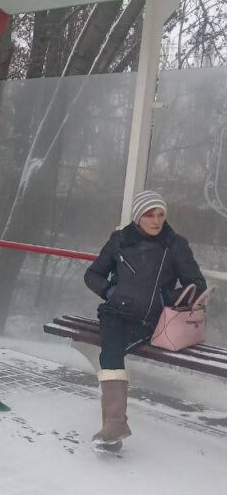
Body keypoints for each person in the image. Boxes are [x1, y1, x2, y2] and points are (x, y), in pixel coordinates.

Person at [84, 190, 206, 446]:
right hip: (115, 313)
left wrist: (165, 298)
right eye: (150, 214)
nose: (156, 220)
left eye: (161, 214)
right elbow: (93, 274)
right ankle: (114, 426)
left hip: (152, 319)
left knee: (111, 353)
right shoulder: (119, 240)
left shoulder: (175, 245)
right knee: (111, 352)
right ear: (138, 216)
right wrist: (109, 291)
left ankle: (113, 427)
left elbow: (197, 284)